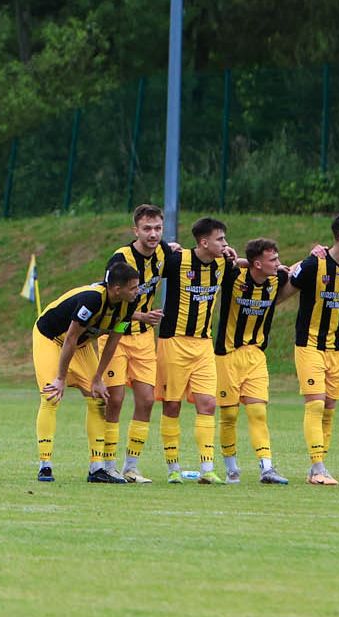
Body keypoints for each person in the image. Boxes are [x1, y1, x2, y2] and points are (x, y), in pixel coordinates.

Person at [32, 261, 140, 483]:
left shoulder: (128, 304)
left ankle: (96, 468)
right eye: (133, 287)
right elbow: (70, 338)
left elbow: (112, 342)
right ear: (117, 289)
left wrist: (98, 378)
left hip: (80, 345)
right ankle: (45, 465)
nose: (137, 291)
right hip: (51, 339)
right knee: (51, 395)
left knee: (98, 398)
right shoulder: (92, 300)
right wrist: (60, 378)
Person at [281, 213, 339, 485]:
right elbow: (283, 293)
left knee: (329, 408)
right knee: (316, 404)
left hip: (338, 348)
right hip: (310, 345)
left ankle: (318, 468)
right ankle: (318, 467)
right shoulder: (312, 264)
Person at [152, 217, 232, 484]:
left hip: (203, 344)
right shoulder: (177, 260)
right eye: (220, 239)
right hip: (173, 341)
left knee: (208, 403)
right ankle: (173, 467)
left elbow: (250, 269)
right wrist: (164, 246)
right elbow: (149, 268)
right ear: (204, 241)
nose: (224, 244)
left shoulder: (223, 263)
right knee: (172, 405)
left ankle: (207, 469)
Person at [213, 238, 290, 485]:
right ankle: (231, 469)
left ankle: (267, 468)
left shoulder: (279, 279)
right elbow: (218, 261)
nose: (278, 264)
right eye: (273, 260)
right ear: (257, 264)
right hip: (227, 355)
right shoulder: (232, 276)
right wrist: (237, 258)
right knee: (229, 416)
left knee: (258, 412)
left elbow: (303, 272)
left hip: (256, 355)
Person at [101, 205, 167, 483]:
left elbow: (198, 261)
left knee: (147, 400)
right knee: (114, 399)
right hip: (117, 330)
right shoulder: (121, 257)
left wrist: (237, 260)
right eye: (147, 229)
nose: (153, 234)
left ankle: (131, 466)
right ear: (135, 231)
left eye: (157, 228)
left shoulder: (165, 253)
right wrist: (139, 314)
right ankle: (106, 465)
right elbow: (107, 296)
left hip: (143, 339)